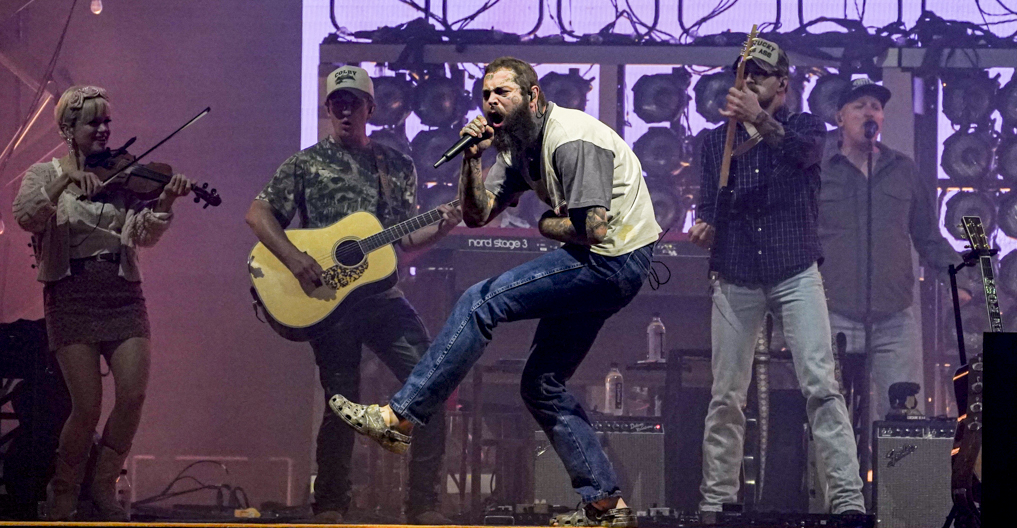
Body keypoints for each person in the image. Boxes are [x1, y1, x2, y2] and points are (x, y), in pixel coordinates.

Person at [328, 57, 660, 528]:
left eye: (503, 92)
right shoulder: (518, 148)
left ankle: (401, 416)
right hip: (604, 259)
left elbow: (593, 227)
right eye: (486, 94)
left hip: (614, 258)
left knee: (481, 299)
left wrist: (545, 223)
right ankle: (604, 502)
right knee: (541, 384)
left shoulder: (572, 138)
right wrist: (471, 156)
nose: (491, 102)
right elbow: (478, 213)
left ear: (534, 97)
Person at [245, 66, 460, 523]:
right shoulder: (303, 164)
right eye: (336, 103)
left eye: (354, 103)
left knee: (431, 384)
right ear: (327, 109)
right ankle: (331, 504)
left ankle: (422, 505)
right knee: (341, 400)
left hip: (382, 299)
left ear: (370, 109)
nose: (345, 111)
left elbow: (406, 240)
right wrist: (293, 258)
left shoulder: (395, 165)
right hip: (329, 300)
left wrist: (449, 221)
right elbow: (258, 213)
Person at [688, 39, 865, 518]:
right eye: (741, 74)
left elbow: (803, 155)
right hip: (737, 272)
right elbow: (709, 203)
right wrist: (704, 225)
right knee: (725, 396)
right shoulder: (713, 142)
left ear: (782, 87)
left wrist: (759, 120)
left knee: (822, 387)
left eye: (759, 75)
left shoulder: (805, 127)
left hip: (795, 271)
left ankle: (847, 502)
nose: (746, 82)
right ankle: (717, 503)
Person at [13, 85, 193, 520]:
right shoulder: (44, 173)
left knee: (133, 394)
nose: (104, 129)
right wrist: (62, 183)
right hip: (71, 294)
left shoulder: (122, 176)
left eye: (107, 121)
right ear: (68, 129)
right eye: (94, 122)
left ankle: (104, 483)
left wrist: (165, 203)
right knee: (87, 406)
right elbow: (26, 217)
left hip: (121, 291)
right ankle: (64, 490)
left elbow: (141, 236)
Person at [819, 77, 960, 427]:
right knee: (831, 419)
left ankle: (895, 483)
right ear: (840, 117)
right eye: (859, 105)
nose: (870, 111)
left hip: (894, 317)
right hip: (832, 313)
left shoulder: (903, 170)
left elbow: (928, 236)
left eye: (876, 106)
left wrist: (959, 275)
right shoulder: (819, 170)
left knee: (903, 419)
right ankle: (837, 484)